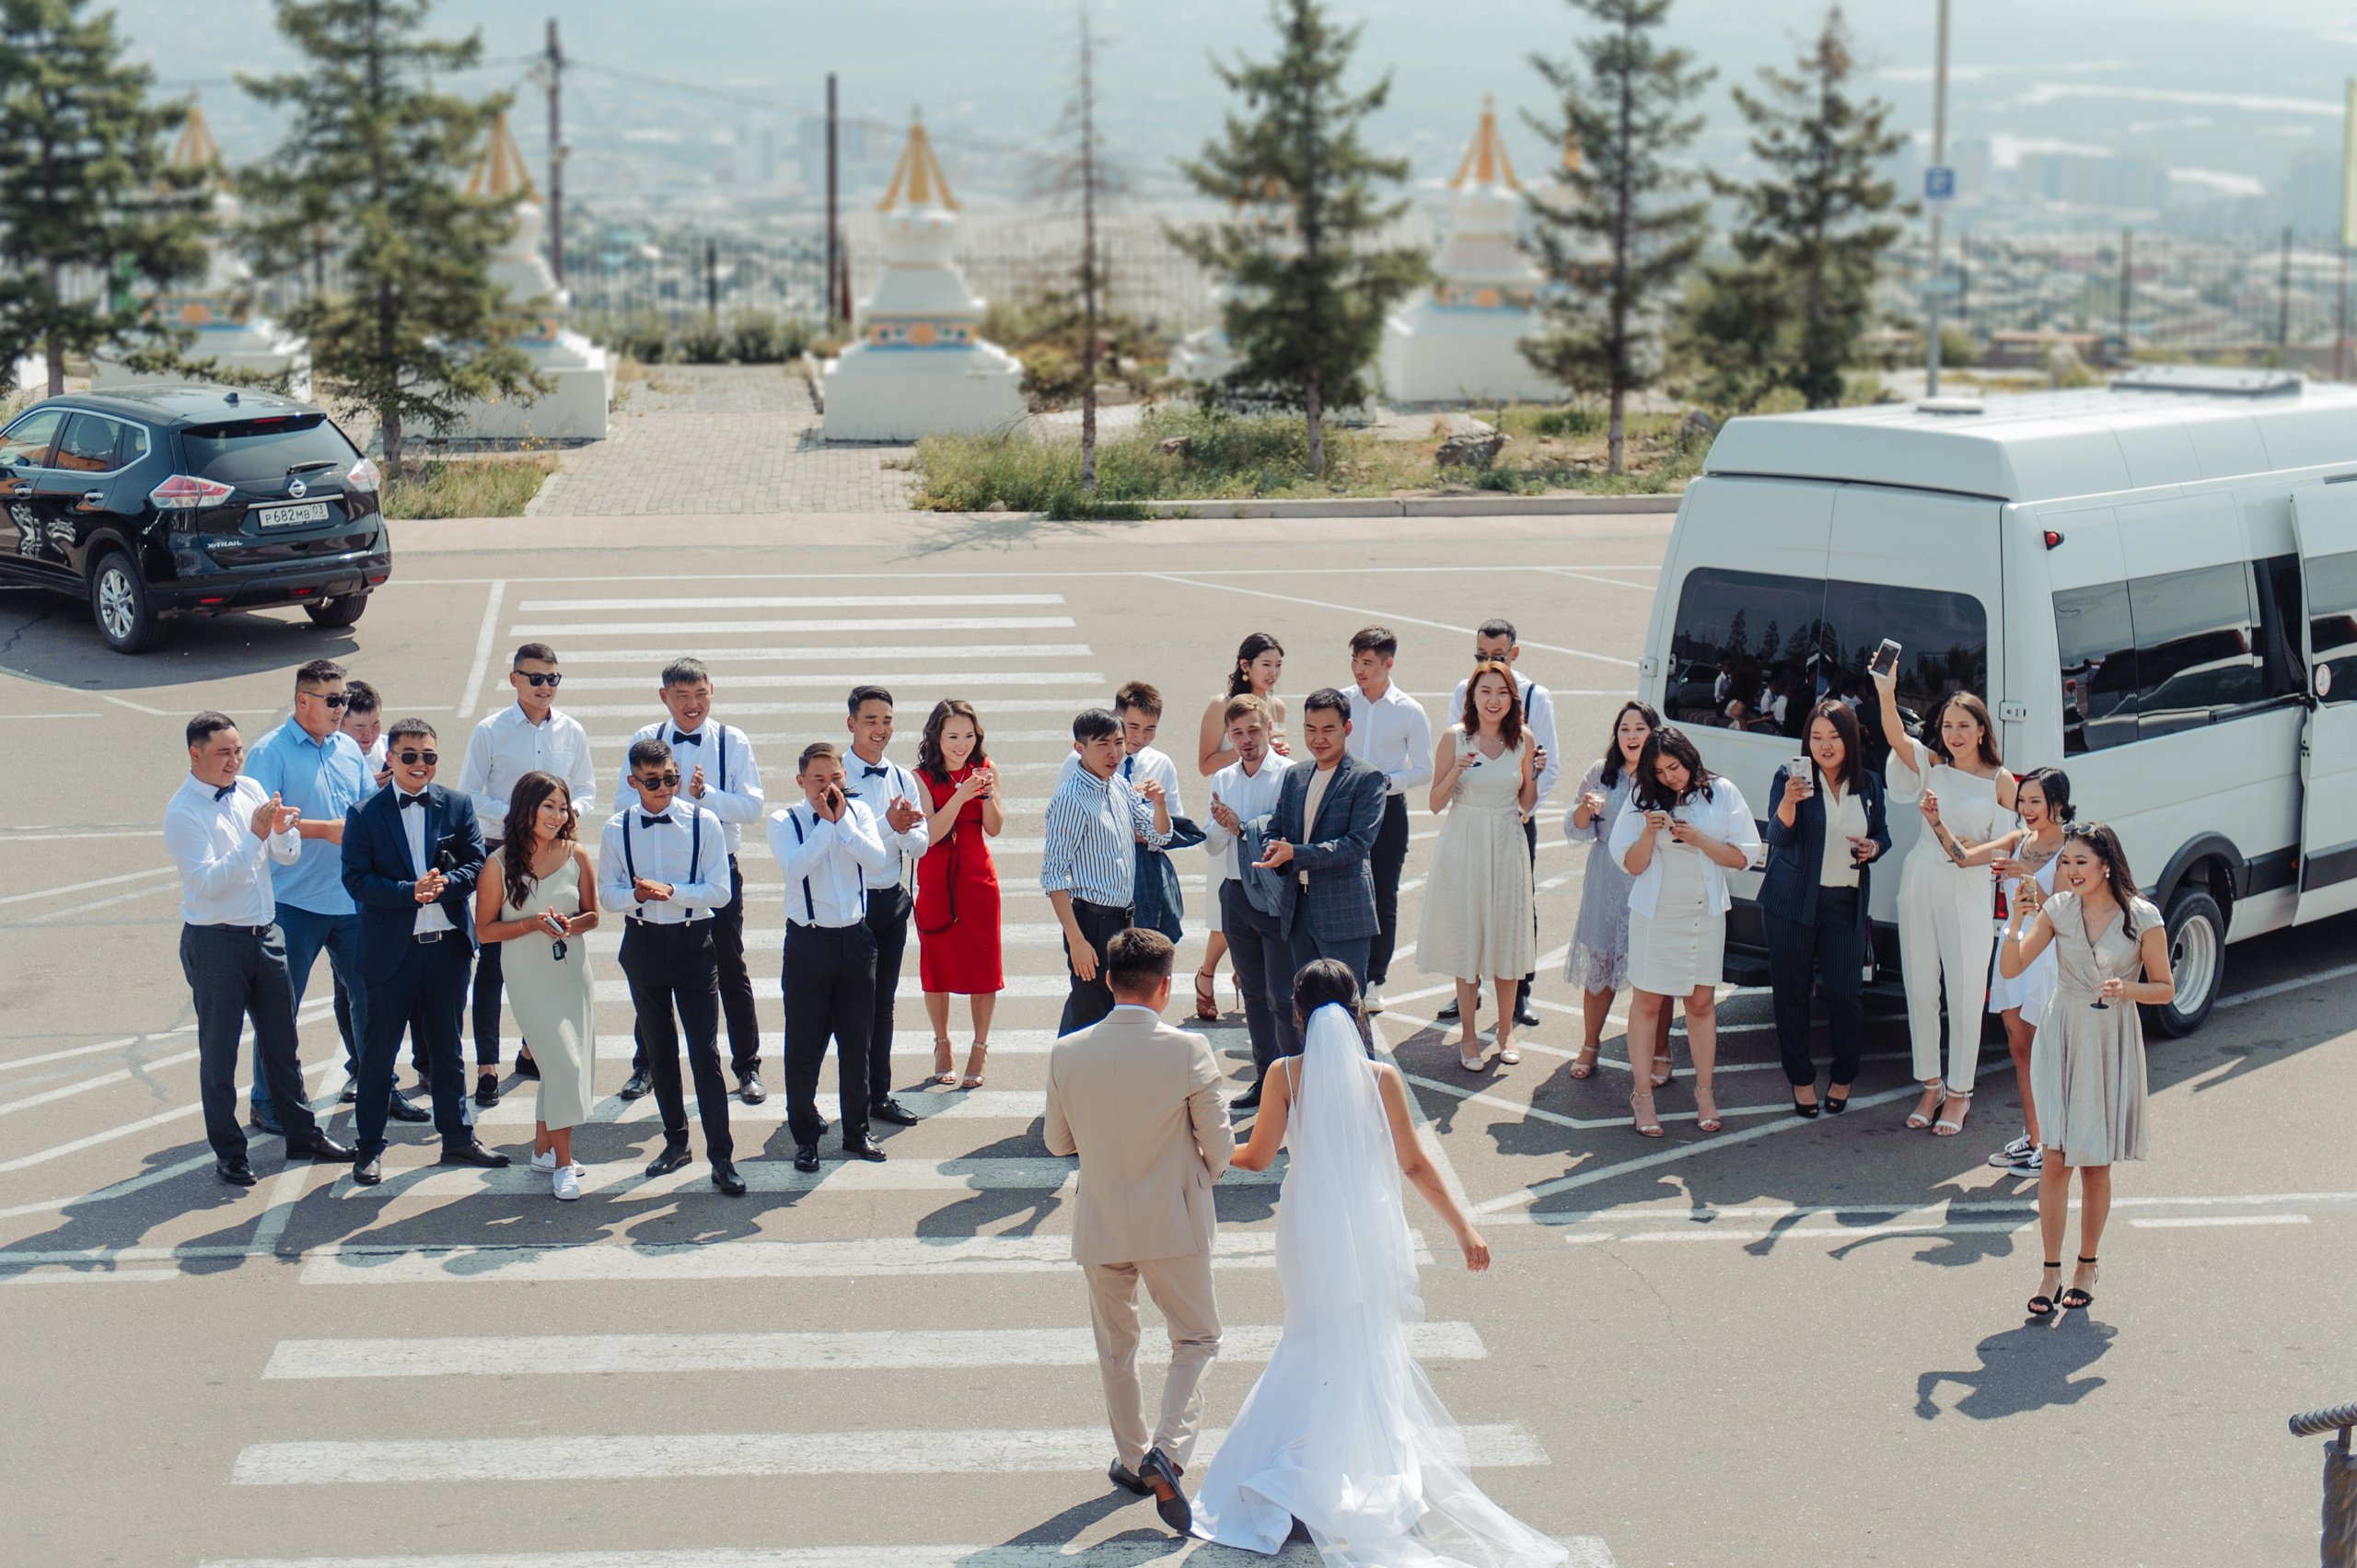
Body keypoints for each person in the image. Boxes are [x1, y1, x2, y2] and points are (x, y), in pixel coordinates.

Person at [1196, 961, 1562, 1568]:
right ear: (1359, 1013)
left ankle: (1296, 1464)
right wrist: (1464, 1228)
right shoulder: (1382, 1078)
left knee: (1309, 1336)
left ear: (1297, 1015)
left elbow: (1258, 1157)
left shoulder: (1285, 1075)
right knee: (1364, 1342)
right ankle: (1358, 1461)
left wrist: (1208, 1150)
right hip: (1368, 1229)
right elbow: (1414, 1164)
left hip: (1307, 1230)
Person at [1041, 928, 1235, 1537]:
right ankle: (1169, 1452)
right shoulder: (1188, 1050)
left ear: (1107, 980)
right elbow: (1221, 1147)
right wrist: (1197, 1170)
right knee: (1197, 1337)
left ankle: (1132, 1459)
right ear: (1165, 985)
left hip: (1100, 1220)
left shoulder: (1067, 1051)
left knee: (1116, 1347)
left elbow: (1056, 1142)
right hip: (1173, 1220)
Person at [164, 712, 353, 1186]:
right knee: (220, 1050)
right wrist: (255, 836)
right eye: (223, 752)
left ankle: (302, 1133)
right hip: (215, 942)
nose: (234, 760)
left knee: (282, 1043)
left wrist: (283, 831)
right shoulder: (183, 812)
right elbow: (207, 885)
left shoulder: (249, 789)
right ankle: (230, 1151)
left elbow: (283, 855)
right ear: (195, 754)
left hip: (264, 936)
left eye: (238, 750)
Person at [1997, 824, 2172, 1317]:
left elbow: (2165, 988)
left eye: (2080, 862)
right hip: (2063, 1033)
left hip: (2108, 1036)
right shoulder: (2056, 910)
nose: (2069, 871)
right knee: (2054, 1158)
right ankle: (2050, 1269)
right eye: (2066, 862)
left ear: (2105, 866)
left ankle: (2086, 1264)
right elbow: (2012, 968)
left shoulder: (2143, 917)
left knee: (2095, 1163)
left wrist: (2127, 989)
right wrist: (2015, 920)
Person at [342, 719, 507, 1187]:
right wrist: (407, 892)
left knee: (448, 1050)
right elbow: (355, 879)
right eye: (410, 755)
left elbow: (477, 863)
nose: (420, 764)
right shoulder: (364, 813)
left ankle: (457, 1137)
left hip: (447, 950)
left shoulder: (456, 805)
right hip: (391, 953)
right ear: (390, 758)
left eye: (429, 756)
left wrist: (445, 886)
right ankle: (369, 1147)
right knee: (378, 1054)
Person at [1874, 670, 2018, 1137]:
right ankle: (1931, 1084)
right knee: (1919, 988)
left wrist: (1977, 845)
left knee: (1963, 992)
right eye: (1948, 726)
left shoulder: (2001, 780)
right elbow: (1896, 735)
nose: (1954, 735)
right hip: (1920, 877)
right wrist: (1886, 689)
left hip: (1969, 888)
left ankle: (1960, 1093)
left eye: (1963, 726)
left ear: (1982, 730)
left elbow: (2007, 845)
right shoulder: (1933, 763)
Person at [620, 658, 768, 1106]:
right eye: (682, 695)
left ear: (711, 691)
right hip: (657, 874)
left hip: (715, 869)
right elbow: (623, 802)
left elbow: (754, 808)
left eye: (700, 693)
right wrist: (666, 803)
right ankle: (645, 1064)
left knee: (729, 965)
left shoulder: (731, 740)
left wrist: (708, 798)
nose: (693, 704)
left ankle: (747, 1067)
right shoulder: (647, 740)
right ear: (664, 697)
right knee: (650, 970)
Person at [600, 738, 741, 1193]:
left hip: (692, 944)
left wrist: (673, 892)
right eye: (653, 781)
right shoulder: (617, 827)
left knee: (705, 1054)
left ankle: (722, 1157)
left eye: (671, 779)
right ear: (633, 782)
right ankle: (676, 1142)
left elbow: (720, 892)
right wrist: (637, 896)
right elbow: (608, 894)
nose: (665, 788)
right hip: (642, 944)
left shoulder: (703, 822)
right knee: (660, 1053)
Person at [459, 642, 596, 1108]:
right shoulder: (491, 731)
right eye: (534, 678)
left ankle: (531, 1049)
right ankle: (487, 1067)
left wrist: (560, 820)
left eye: (552, 679)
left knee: (546, 956)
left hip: (554, 857)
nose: (544, 687)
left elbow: (587, 791)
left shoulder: (572, 731)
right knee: (495, 962)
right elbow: (468, 794)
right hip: (503, 852)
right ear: (514, 678)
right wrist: (520, 816)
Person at [243, 659, 377, 1133]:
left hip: (352, 902)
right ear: (304, 701)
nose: (343, 709)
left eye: (344, 699)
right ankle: (268, 1101)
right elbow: (259, 826)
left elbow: (367, 812)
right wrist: (330, 830)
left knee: (372, 1001)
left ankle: (377, 1084)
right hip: (292, 906)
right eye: (334, 700)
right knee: (281, 1010)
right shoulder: (269, 754)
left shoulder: (345, 749)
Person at [1608, 727, 1762, 1139]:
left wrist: (1698, 840)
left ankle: (1705, 1093)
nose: (1669, 777)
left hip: (1704, 913)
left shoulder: (1722, 792)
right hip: (1656, 915)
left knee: (1700, 1003)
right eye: (1659, 771)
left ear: (1690, 758)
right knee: (1647, 1003)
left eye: (1674, 767)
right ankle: (1642, 1096)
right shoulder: (1643, 796)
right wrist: (1647, 832)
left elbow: (1745, 856)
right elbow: (1632, 864)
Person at [1759, 700, 1891, 1115]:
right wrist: (1788, 802)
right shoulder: (1791, 777)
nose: (1825, 745)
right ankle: (1800, 1079)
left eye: (1834, 736)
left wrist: (1875, 848)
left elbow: (1883, 835)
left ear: (1850, 739)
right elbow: (1777, 839)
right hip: (1791, 901)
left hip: (1844, 901)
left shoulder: (1868, 783)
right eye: (1816, 737)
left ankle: (1844, 1073)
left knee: (1846, 994)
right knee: (1791, 993)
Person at [771, 741, 896, 1174]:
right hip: (809, 943)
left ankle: (857, 1131)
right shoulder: (784, 820)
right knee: (804, 1046)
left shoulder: (858, 815)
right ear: (801, 781)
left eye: (836, 778)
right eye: (818, 779)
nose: (828, 786)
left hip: (856, 941)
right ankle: (805, 1138)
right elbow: (795, 867)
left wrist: (842, 823)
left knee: (857, 1043)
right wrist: (826, 825)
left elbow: (877, 860)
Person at [474, 772, 599, 1201]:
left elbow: (592, 917)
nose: (557, 815)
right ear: (527, 807)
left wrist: (568, 925)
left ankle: (544, 1151)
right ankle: (564, 1164)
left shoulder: (577, 854)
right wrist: (530, 923)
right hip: (528, 979)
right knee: (564, 1065)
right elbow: (485, 931)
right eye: (549, 806)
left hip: (571, 975)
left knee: (557, 1067)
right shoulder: (498, 864)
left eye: (562, 807)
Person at [1420, 662, 1538, 1072]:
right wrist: (1456, 768)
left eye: (1502, 692)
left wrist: (1534, 773)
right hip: (1465, 842)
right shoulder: (1456, 738)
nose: (1493, 700)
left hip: (1506, 841)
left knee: (1506, 939)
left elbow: (1526, 803)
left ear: (1512, 699)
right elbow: (1435, 804)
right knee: (1469, 940)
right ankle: (1469, 1035)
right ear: (1472, 696)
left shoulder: (1522, 738)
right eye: (1485, 691)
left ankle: (1505, 1032)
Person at [1439, 620, 1556, 1030]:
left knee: (1514, 916)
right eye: (1481, 656)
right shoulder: (1462, 705)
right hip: (1471, 825)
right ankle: (1465, 1002)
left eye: (1497, 656)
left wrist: (1527, 792)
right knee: (1469, 916)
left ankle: (1519, 998)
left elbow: (1544, 769)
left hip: (1513, 821)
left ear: (1514, 654)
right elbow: (1444, 783)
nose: (1488, 662)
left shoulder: (1533, 701)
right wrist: (1459, 773)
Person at [1249, 688, 1386, 1004]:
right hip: (1298, 910)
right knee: (1309, 1010)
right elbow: (1277, 826)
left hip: (1344, 914)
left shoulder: (1367, 778)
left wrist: (1295, 853)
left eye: (1328, 729)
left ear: (1347, 729)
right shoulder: (1296, 775)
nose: (1318, 738)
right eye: (1311, 729)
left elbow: (1356, 845)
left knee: (1348, 1010)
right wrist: (1273, 847)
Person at [1562, 702, 1671, 1083]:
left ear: (1653, 733)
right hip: (1606, 879)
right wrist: (1584, 809)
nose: (1631, 736)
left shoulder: (1663, 774)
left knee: (1655, 975)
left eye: (1639, 728)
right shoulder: (1600, 773)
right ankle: (1590, 1046)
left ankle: (1661, 1050)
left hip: (1648, 877)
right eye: (1625, 729)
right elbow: (1575, 828)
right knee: (1601, 965)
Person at [1044, 709, 1171, 1036]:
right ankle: (1068, 1084)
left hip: (1124, 921)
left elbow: (1158, 836)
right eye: (1103, 745)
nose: (1114, 753)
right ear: (1079, 748)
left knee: (1117, 1014)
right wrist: (1077, 942)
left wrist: (1159, 804)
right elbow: (1054, 876)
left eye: (1118, 742)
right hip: (1091, 923)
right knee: (1088, 1016)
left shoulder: (1118, 785)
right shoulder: (1071, 799)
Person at [839, 685, 931, 1123]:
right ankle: (843, 1102)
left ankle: (879, 1094)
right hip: (849, 905)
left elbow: (921, 842)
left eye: (887, 721)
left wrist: (901, 830)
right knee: (847, 1007)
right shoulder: (834, 775)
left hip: (892, 902)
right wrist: (889, 826)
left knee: (884, 1003)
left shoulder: (900, 777)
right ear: (852, 723)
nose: (880, 729)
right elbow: (843, 844)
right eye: (871, 720)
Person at [1202, 694, 1295, 1109]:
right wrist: (1224, 827)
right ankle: (1265, 1078)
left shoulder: (1290, 775)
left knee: (1283, 995)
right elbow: (1212, 845)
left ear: (1270, 728)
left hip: (1274, 894)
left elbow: (1287, 834)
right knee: (1253, 993)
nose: (1246, 739)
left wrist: (1241, 827)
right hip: (1236, 893)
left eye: (1253, 730)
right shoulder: (1224, 779)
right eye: (1237, 733)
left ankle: (1294, 1081)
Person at [1193, 633, 1289, 1021]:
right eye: (1266, 664)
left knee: (1259, 910)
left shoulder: (1277, 706)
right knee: (1228, 913)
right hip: (1229, 809)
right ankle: (1207, 975)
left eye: (1279, 665)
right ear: (1245, 665)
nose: (1273, 673)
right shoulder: (1222, 704)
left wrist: (1271, 752)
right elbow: (1204, 763)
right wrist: (1247, 745)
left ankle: (1247, 978)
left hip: (1263, 805)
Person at [1984, 768, 2073, 1176]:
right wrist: (1936, 821)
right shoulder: (2019, 842)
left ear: (2057, 804)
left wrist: (2025, 878)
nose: (2025, 809)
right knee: (2020, 1050)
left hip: (2050, 956)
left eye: (2035, 801)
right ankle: (2034, 1137)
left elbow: (2060, 902)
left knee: (2046, 1055)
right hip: (2014, 947)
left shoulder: (2073, 847)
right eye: (2022, 801)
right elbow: (1967, 856)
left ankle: (2054, 1144)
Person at [914, 698, 1004, 1089]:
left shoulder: (986, 769)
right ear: (936, 736)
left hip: (976, 876)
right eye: (953, 736)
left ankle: (980, 1046)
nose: (961, 744)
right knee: (937, 964)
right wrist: (959, 795)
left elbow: (995, 827)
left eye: (968, 736)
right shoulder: (919, 776)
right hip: (936, 875)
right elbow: (930, 833)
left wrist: (984, 798)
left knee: (983, 965)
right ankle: (942, 1042)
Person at [1344, 625, 1433, 1015]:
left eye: (1367, 662)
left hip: (1386, 811)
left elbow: (1425, 769)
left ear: (1388, 664)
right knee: (1340, 889)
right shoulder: (1342, 702)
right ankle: (1345, 972)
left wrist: (1387, 781)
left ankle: (1375, 979)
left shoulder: (1409, 711)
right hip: (1343, 807)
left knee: (1382, 895)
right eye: (1355, 661)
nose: (1358, 670)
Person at [1062, 682, 1191, 944]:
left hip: (1147, 868)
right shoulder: (1081, 760)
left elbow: (1172, 827)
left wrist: (1152, 817)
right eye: (1132, 727)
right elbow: (1068, 820)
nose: (1140, 737)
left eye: (1150, 729)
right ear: (1115, 716)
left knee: (1151, 954)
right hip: (1098, 871)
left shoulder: (1160, 763)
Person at [331, 677, 400, 1101]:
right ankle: (361, 1067)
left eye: (375, 725)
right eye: (359, 728)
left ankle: (382, 1072)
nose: (369, 736)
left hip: (379, 889)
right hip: (335, 893)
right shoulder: (337, 755)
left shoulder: (388, 748)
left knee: (373, 986)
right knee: (349, 986)